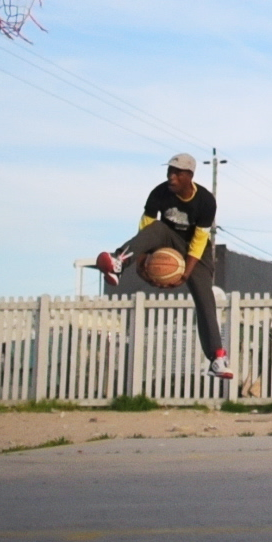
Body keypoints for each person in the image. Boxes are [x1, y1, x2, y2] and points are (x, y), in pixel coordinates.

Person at [96, 153, 233, 379]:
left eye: (177, 173)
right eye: (169, 171)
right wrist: (141, 263)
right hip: (167, 239)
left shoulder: (206, 201)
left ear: (189, 176)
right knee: (158, 226)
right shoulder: (159, 193)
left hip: (195, 251)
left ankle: (217, 358)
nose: (171, 177)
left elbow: (199, 240)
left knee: (205, 299)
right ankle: (119, 261)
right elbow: (146, 227)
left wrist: (186, 272)